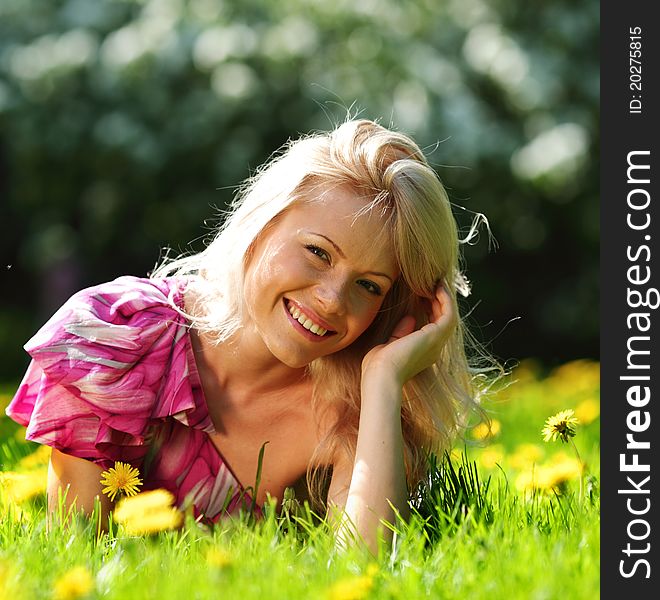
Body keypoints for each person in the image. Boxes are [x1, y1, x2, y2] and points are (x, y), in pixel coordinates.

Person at [6, 118, 489, 552]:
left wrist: (385, 379)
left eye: (368, 285)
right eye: (319, 253)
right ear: (262, 224)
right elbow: (73, 552)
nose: (332, 300)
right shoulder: (119, 337)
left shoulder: (354, 411)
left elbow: (365, 570)